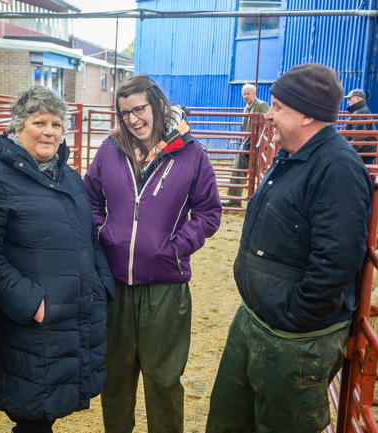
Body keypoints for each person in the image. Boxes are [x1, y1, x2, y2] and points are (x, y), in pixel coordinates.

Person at [206, 64, 372, 433]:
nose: (269, 115)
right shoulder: (292, 155)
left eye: (279, 107)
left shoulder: (337, 168)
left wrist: (297, 317)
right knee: (229, 420)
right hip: (257, 317)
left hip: (293, 339)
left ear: (307, 114)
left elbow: (337, 258)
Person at [84, 74, 222, 433]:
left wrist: (177, 247)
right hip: (115, 284)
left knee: (163, 379)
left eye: (139, 109)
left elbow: (209, 212)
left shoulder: (191, 153)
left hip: (165, 286)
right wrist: (103, 232)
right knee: (115, 377)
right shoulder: (110, 149)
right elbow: (90, 199)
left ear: (158, 105)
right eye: (124, 113)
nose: (132, 119)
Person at [0, 85, 115, 433]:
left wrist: (102, 286)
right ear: (18, 126)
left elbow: (88, 238)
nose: (49, 132)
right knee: (31, 413)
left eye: (56, 124)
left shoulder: (69, 178)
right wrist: (31, 303)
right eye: (39, 122)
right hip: (30, 321)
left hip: (73, 315)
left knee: (46, 412)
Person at [222, 83, 269, 207]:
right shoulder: (246, 108)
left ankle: (261, 201)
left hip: (258, 145)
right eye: (244, 94)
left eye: (248, 93)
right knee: (237, 170)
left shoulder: (262, 105)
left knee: (259, 174)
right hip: (247, 143)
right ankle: (234, 200)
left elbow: (267, 125)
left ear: (254, 94)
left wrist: (263, 145)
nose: (246, 96)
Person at [344, 88, 377, 164]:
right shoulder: (362, 110)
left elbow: (358, 137)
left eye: (350, 99)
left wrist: (347, 153)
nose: (348, 102)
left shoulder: (359, 113)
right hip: (367, 149)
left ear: (358, 99)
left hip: (363, 152)